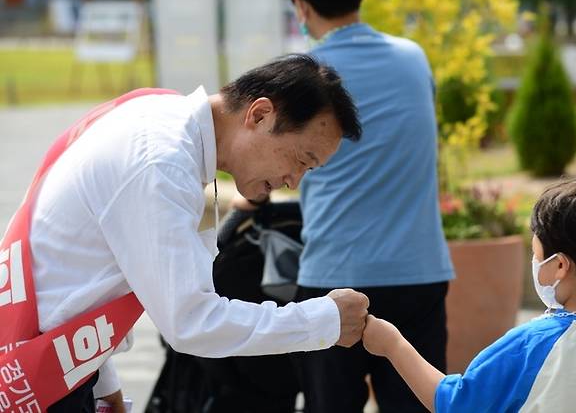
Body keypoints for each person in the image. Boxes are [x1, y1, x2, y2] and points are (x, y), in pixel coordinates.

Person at [0, 54, 370, 412]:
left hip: (47, 362)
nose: (295, 180)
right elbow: (191, 320)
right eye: (301, 160)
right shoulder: (162, 164)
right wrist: (324, 321)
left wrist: (101, 381)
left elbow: (81, 273)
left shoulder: (165, 121)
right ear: (259, 115)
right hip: (35, 380)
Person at [279, 0, 455, 412]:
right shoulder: (414, 59)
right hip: (418, 271)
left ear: (301, 6)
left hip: (332, 278)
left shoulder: (300, 74)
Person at [362, 170, 576, 412]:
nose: (535, 263)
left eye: (537, 254)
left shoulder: (528, 347)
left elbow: (456, 404)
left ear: (560, 267)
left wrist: (393, 344)